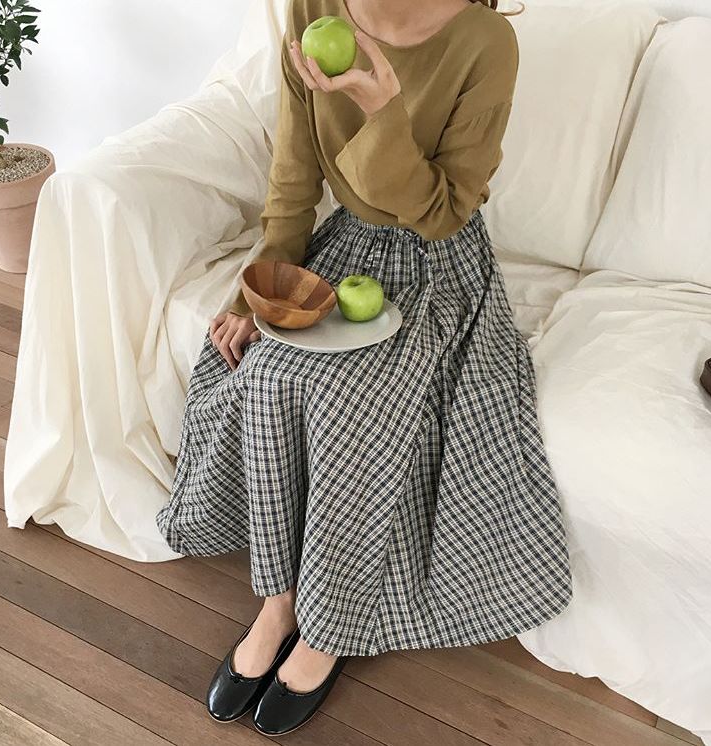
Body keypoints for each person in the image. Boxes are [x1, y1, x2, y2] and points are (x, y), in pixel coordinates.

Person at [156, 0, 574, 736]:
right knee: (267, 374)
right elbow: (294, 179)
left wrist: (384, 109)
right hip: (346, 249)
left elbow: (443, 212)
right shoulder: (312, 10)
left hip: (437, 265)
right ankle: (279, 602)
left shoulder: (486, 41)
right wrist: (255, 293)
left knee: (359, 399)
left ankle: (329, 627)